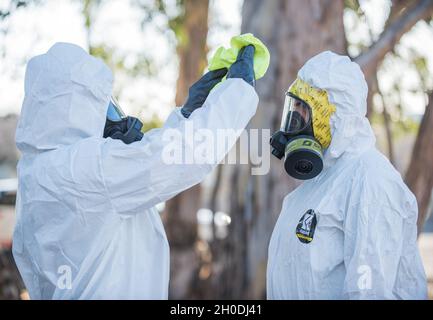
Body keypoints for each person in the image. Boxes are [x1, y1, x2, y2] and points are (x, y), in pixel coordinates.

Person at [13, 42, 258, 299]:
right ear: (74, 109)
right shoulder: (81, 168)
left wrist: (186, 116)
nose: (113, 117)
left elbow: (148, 159)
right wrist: (237, 92)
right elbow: (177, 157)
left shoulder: (37, 171)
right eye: (101, 107)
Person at [267, 51, 428, 299]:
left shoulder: (370, 179)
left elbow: (370, 291)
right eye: (293, 107)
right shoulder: (322, 181)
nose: (294, 119)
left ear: (332, 115)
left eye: (303, 108)